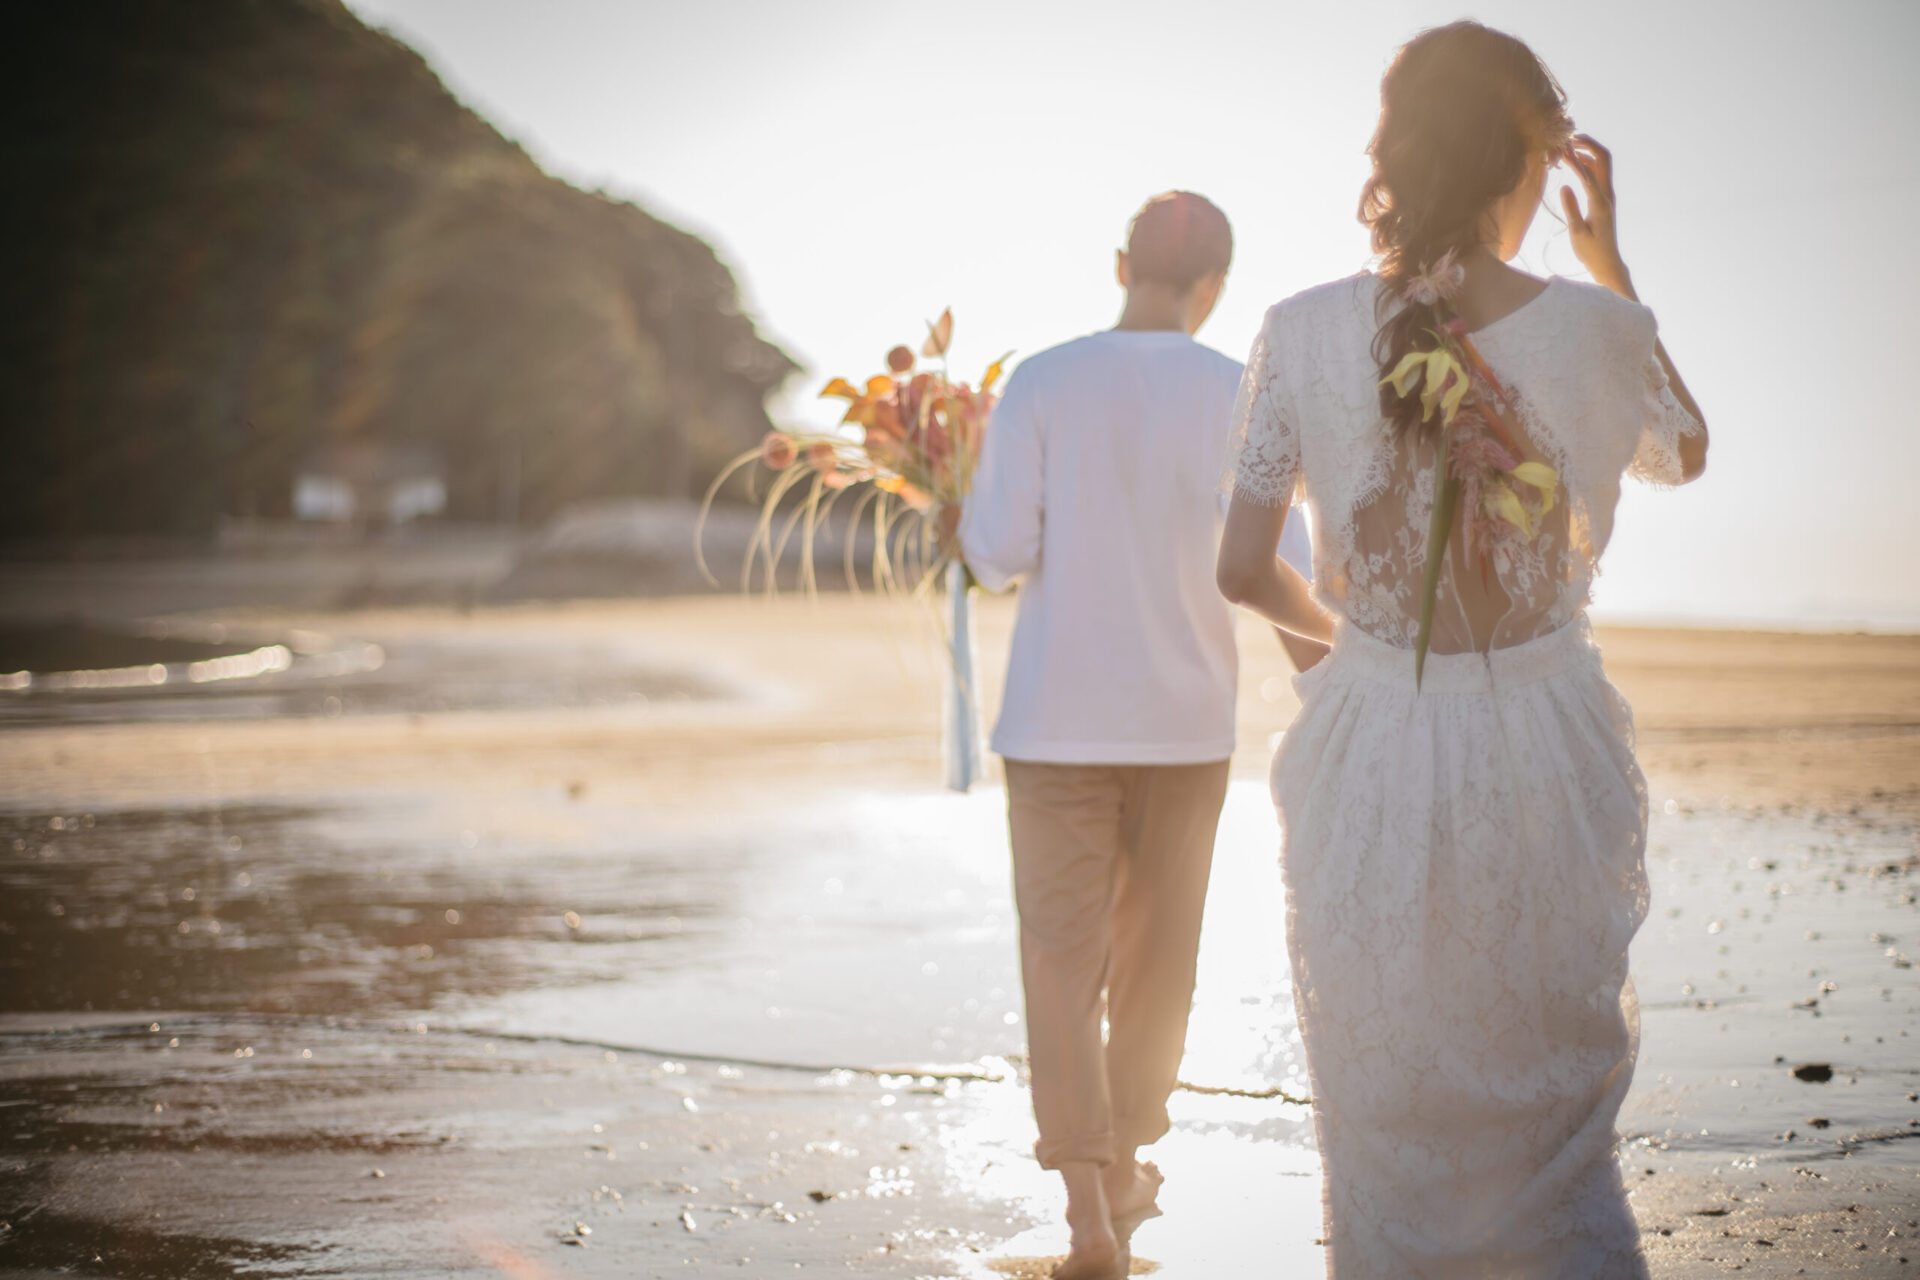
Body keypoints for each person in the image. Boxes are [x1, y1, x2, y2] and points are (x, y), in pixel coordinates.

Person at [1215, 21, 1707, 1278]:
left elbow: (1239, 565)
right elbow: (1684, 449)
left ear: (1396, 153)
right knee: (1555, 1110)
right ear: (1533, 163)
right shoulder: (1606, 332)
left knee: (1382, 1104)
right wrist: (1608, 262)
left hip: (1372, 733)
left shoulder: (1300, 324)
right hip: (1550, 736)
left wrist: (1349, 662)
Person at [957, 191, 1314, 1279]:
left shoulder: (1044, 380)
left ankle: (1086, 1210)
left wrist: (957, 522)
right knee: (1161, 963)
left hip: (1056, 725)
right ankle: (1125, 1164)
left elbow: (997, 553)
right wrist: (1344, 670)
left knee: (1061, 958)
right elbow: (1280, 565)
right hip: (1184, 726)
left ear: (1121, 263)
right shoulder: (1236, 392)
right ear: (1215, 285)